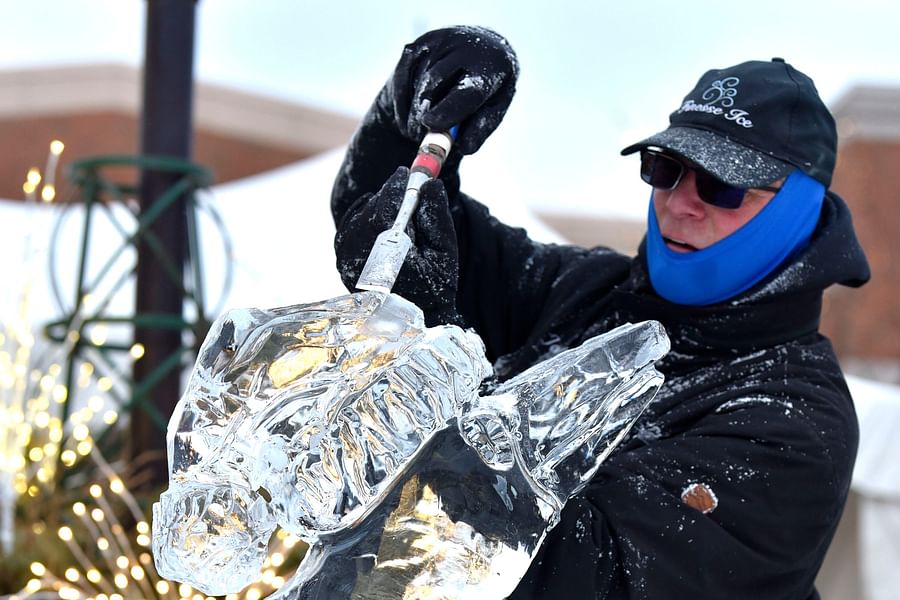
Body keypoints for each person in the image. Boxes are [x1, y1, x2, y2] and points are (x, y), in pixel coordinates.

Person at [330, 26, 870, 600]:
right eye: (666, 168)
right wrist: (412, 111)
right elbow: (390, 229)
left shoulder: (792, 421)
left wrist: (430, 377)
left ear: (797, 212)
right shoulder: (583, 290)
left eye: (720, 185)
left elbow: (568, 575)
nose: (678, 204)